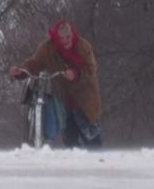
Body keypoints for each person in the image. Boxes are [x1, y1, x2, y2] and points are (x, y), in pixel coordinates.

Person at [9, 20, 102, 148]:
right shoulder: (47, 49)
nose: (66, 41)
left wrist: (75, 74)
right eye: (62, 38)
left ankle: (96, 165)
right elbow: (35, 63)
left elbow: (90, 70)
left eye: (68, 37)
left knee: (92, 140)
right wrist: (21, 71)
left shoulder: (83, 47)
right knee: (70, 141)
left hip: (85, 101)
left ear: (73, 35)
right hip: (64, 102)